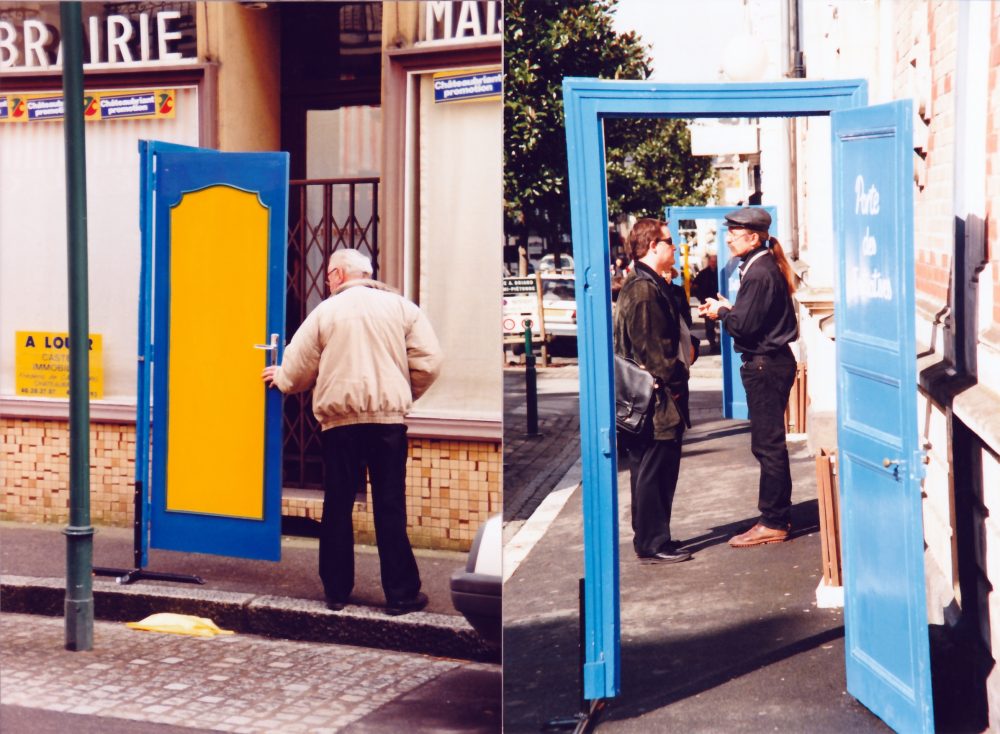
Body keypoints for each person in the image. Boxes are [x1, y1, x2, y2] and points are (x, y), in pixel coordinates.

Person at [262, 249, 443, 612]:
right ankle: (401, 594)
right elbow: (431, 361)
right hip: (388, 423)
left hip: (339, 424)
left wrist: (280, 377)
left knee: (338, 504)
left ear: (340, 274)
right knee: (390, 505)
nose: (327, 281)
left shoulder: (325, 312)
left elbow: (298, 367)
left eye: (329, 274)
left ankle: (337, 591)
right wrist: (403, 394)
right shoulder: (402, 308)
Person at [699, 208, 798, 548]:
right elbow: (751, 316)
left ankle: (773, 520)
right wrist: (732, 309)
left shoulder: (759, 272)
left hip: (765, 365)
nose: (728, 238)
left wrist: (723, 312)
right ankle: (775, 515)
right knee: (767, 444)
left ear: (753, 237)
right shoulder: (761, 265)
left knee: (767, 445)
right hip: (769, 363)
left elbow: (744, 326)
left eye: (735, 233)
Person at [614, 218, 692, 564]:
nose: (674, 246)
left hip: (652, 399)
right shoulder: (643, 290)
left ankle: (653, 537)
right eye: (668, 241)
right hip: (654, 401)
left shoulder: (649, 283)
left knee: (651, 471)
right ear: (652, 247)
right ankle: (652, 541)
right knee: (653, 473)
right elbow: (654, 354)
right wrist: (676, 379)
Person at [691, 248, 719, 352]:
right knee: (710, 326)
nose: (713, 263)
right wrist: (701, 298)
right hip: (707, 303)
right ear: (708, 262)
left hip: (719, 302)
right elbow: (694, 286)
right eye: (712, 261)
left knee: (720, 325)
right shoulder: (703, 273)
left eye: (715, 262)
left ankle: (719, 344)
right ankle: (713, 344)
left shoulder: (719, 273)